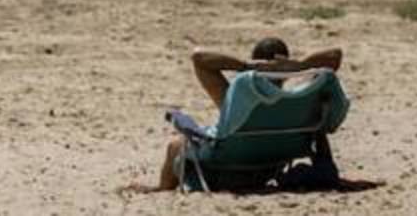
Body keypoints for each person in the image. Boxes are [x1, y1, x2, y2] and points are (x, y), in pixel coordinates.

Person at [126, 37, 344, 194]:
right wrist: (300, 66)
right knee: (317, 127)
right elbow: (335, 55)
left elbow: (199, 57)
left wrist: (245, 66)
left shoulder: (236, 100)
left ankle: (162, 189)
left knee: (177, 143)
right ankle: (328, 173)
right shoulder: (299, 105)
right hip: (267, 170)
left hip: (223, 171)